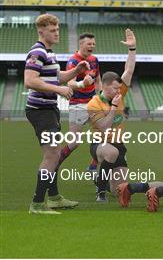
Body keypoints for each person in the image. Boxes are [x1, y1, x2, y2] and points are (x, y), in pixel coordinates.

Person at [25, 13, 89, 214]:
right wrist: (59, 91)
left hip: (49, 110)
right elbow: (30, 80)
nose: (56, 33)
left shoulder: (49, 53)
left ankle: (54, 198)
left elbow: (58, 77)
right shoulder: (37, 52)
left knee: (54, 153)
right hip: (40, 110)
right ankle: (37, 204)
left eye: (57, 29)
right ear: (41, 31)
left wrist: (77, 70)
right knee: (52, 155)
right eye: (52, 30)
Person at [86, 28, 137, 202]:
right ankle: (100, 192)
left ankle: (101, 181)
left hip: (118, 145)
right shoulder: (94, 103)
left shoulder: (119, 93)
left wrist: (132, 49)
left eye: (119, 88)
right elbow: (103, 127)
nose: (118, 91)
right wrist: (114, 107)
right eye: (115, 88)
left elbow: (128, 71)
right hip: (100, 145)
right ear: (105, 86)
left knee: (120, 190)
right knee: (111, 152)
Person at [57, 33, 101, 172]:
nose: (92, 46)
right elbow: (70, 84)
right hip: (77, 104)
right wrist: (83, 83)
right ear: (81, 44)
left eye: (93, 43)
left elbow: (98, 80)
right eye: (89, 44)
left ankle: (93, 166)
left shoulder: (94, 60)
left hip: (92, 103)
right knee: (74, 143)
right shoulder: (73, 61)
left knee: (106, 134)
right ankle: (55, 162)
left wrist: (99, 97)